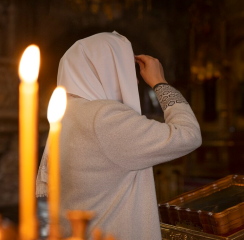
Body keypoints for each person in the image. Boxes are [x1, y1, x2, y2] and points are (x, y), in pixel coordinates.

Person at [36, 31, 202, 240]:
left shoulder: (64, 116)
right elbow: (188, 134)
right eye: (125, 70)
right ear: (107, 71)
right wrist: (160, 83)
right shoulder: (103, 118)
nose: (135, 80)